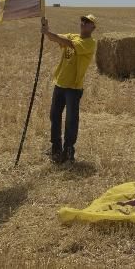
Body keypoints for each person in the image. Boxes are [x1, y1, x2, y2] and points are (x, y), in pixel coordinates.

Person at [42, 14, 98, 163]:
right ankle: (56, 149)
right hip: (60, 83)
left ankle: (68, 151)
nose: (83, 23)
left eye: (87, 22)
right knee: (54, 116)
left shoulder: (90, 43)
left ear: (93, 27)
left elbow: (68, 43)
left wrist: (50, 34)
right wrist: (47, 30)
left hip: (73, 88)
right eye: (83, 20)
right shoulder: (73, 36)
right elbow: (56, 38)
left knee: (71, 120)